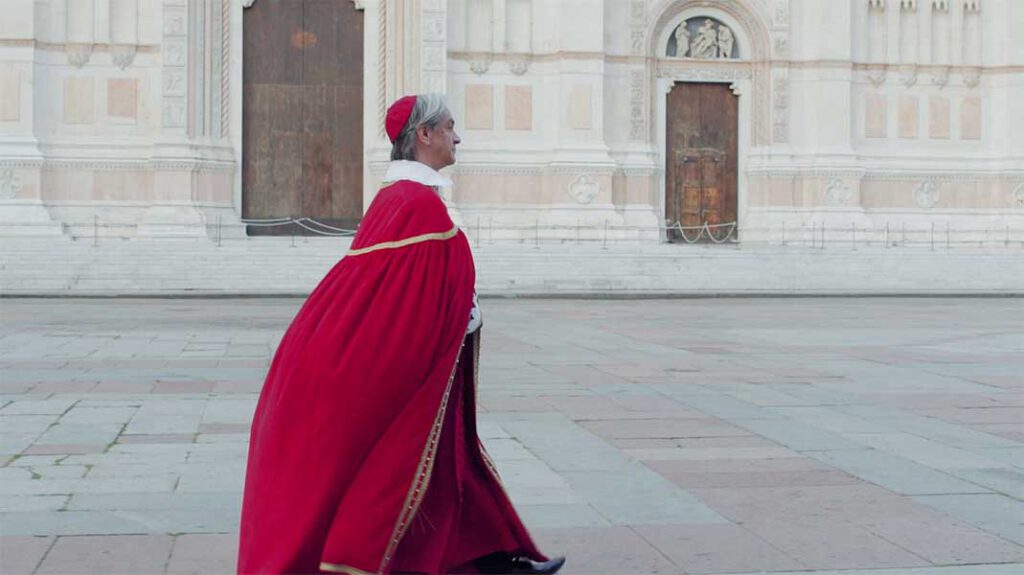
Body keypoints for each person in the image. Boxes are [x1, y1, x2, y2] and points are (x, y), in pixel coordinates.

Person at [237, 93, 565, 575]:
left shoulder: (403, 200)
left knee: (445, 464)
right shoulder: (414, 205)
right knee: (410, 465)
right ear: (423, 135)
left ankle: (492, 562)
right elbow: (403, 298)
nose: (458, 136)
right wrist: (459, 316)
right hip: (396, 372)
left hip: (410, 364)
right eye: (449, 126)